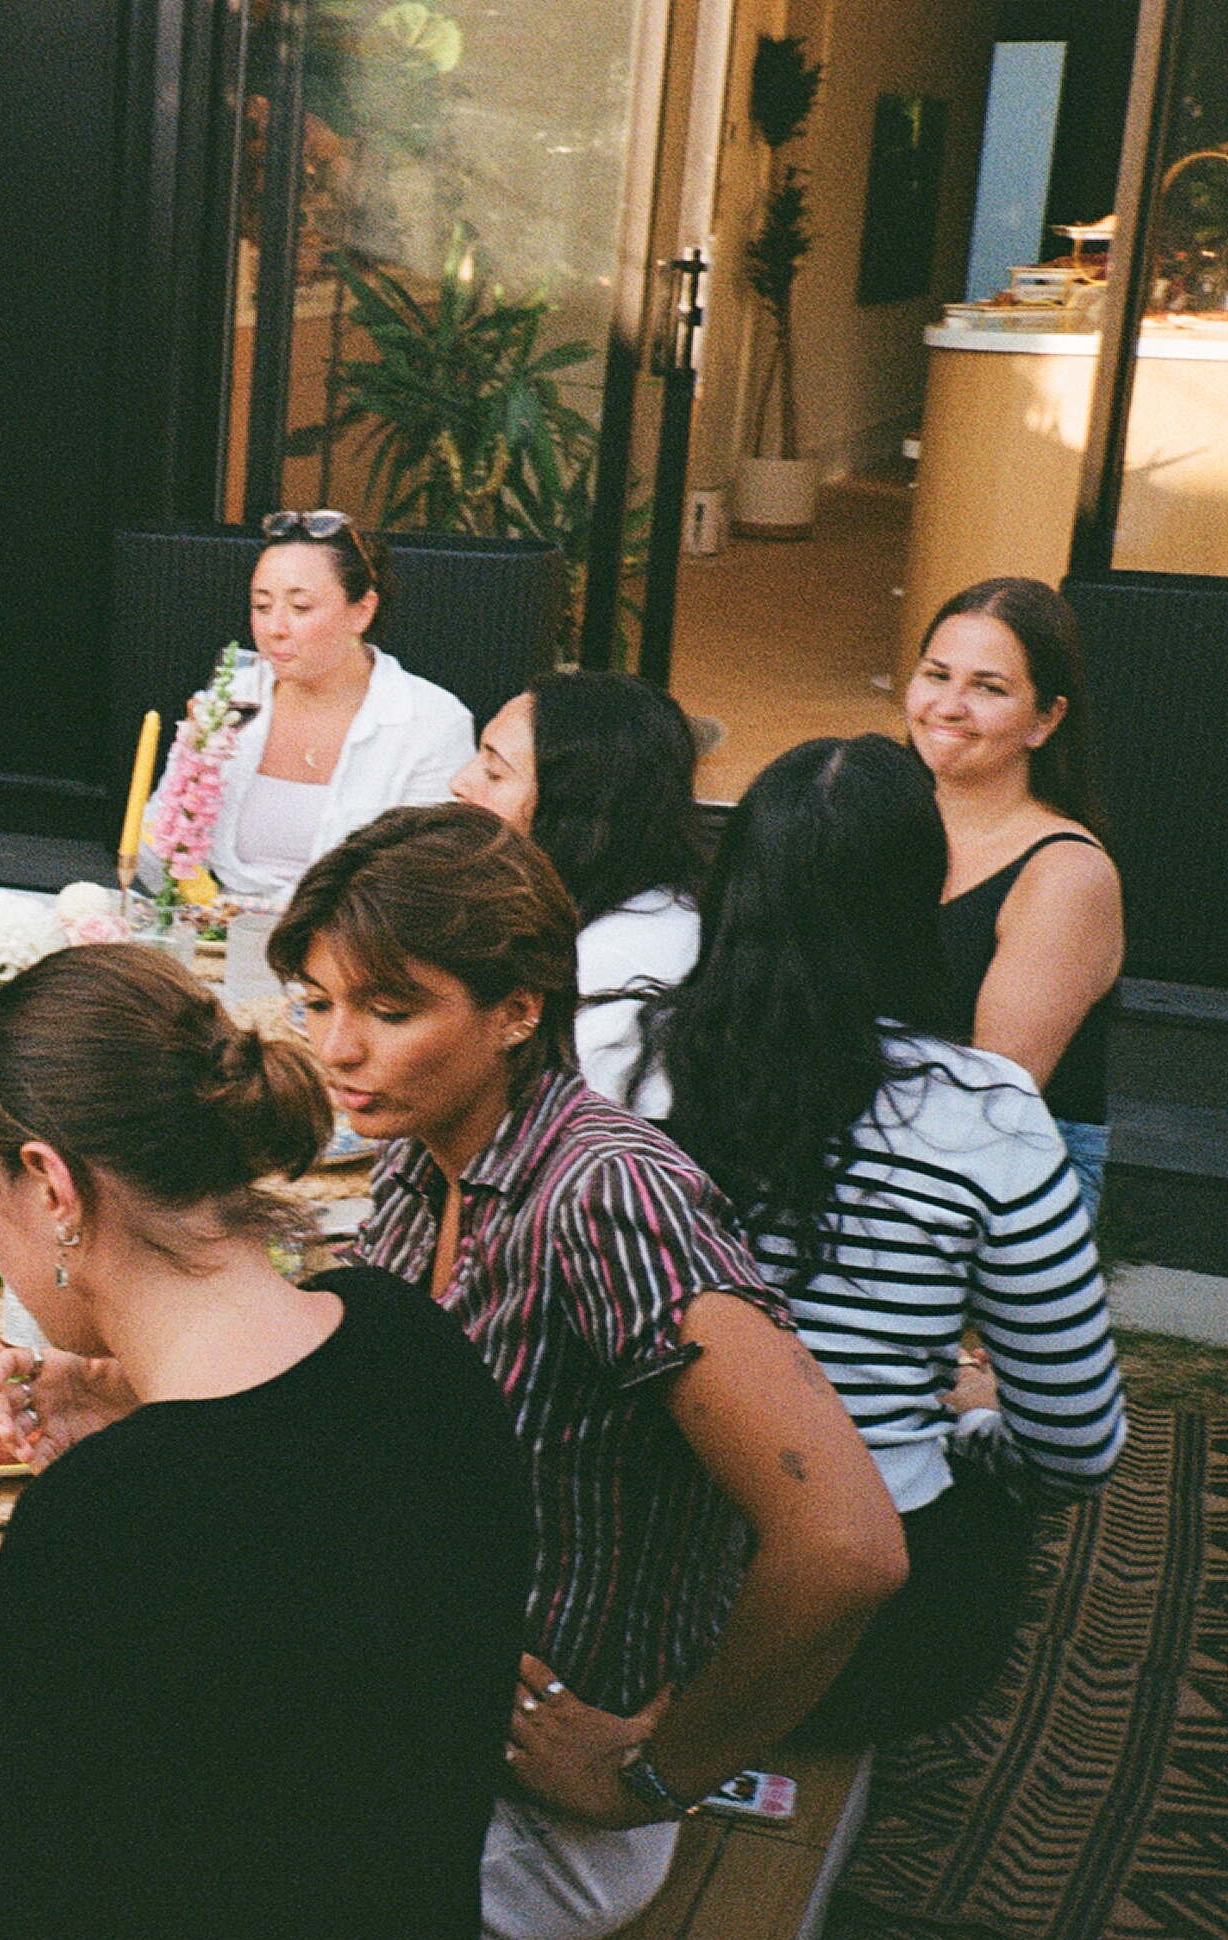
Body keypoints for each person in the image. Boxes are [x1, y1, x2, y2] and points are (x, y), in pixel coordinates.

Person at [0, 945, 531, 1940]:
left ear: (53, 1187)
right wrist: (82, 1606)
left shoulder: (117, 1516)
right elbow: (298, 1604)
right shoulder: (406, 1337)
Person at [267, 805, 905, 1940]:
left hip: (533, 1813)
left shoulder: (605, 1193)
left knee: (129, 1886)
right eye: (319, 1002)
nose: (338, 1047)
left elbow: (849, 1545)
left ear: (518, 1009)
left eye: (388, 1007)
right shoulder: (426, 1159)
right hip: (402, 1712)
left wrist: (652, 1770)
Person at [633, 737, 1122, 1743]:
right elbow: (1076, 1445)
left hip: (633, 1595)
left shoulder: (628, 1067)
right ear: (920, 897)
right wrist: (969, 1427)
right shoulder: (986, 1113)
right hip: (870, 1646)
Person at [908, 577, 1121, 1213]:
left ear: (1046, 719)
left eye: (988, 688)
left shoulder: (1066, 873)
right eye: (936, 675)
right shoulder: (881, 821)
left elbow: (992, 1099)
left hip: (1010, 1163)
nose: (949, 705)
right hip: (878, 1131)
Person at [452, 669, 707, 1103]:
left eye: (494, 774)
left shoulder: (615, 969)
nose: (458, 783)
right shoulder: (573, 905)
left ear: (574, 812)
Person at [204, 510, 476, 901]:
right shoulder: (233, 695)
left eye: (301, 608)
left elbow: (426, 884)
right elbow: (158, 845)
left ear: (362, 611)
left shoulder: (432, 721)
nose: (274, 627)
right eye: (262, 607)